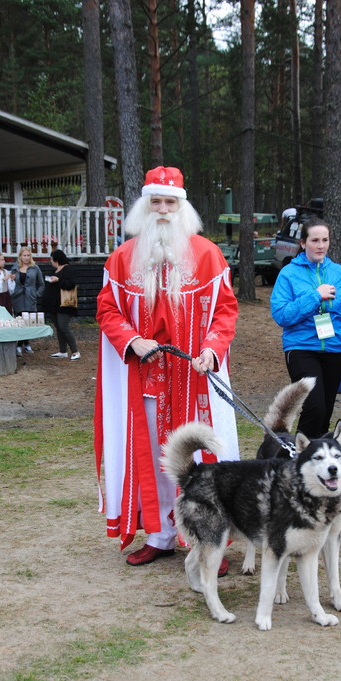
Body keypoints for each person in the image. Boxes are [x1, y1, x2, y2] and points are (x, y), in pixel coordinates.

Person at [94, 165, 239, 567]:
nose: (162, 209)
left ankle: (206, 540)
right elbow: (107, 310)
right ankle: (159, 534)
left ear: (182, 206)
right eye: (155, 201)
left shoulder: (208, 254)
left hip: (194, 379)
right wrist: (132, 340)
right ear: (145, 205)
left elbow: (225, 311)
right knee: (157, 459)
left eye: (169, 202)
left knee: (201, 461)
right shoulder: (122, 259)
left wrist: (212, 347)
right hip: (147, 381)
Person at [270, 216, 341, 438]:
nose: (320, 246)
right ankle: (295, 457)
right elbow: (281, 315)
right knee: (314, 407)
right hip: (301, 349)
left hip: (335, 350)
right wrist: (314, 297)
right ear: (303, 243)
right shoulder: (289, 274)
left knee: (325, 412)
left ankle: (314, 463)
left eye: (325, 240)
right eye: (314, 240)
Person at [42, 249, 80, 360]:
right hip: (54, 304)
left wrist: (58, 280)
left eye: (52, 259)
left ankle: (75, 351)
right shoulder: (54, 270)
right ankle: (63, 351)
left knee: (64, 326)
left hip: (65, 304)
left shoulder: (67, 269)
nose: (51, 262)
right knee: (58, 327)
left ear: (57, 260)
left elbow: (71, 284)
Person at [10, 246, 45, 356]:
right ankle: (19, 345)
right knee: (20, 321)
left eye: (28, 255)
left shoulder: (35, 268)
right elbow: (11, 283)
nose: (26, 257)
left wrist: (36, 294)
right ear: (20, 256)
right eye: (24, 255)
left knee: (29, 321)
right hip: (18, 298)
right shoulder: (15, 268)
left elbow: (41, 284)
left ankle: (27, 343)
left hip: (30, 298)